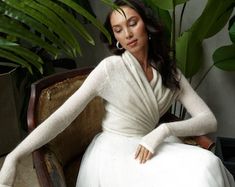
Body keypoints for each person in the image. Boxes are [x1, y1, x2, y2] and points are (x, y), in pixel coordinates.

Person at [0, 0, 234, 186]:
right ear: (117, 39)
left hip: (151, 144)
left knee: (208, 166)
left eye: (132, 23)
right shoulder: (110, 69)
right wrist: (14, 156)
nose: (128, 34)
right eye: (118, 30)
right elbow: (62, 116)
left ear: (147, 26)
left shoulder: (169, 71)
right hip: (116, 154)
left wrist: (164, 130)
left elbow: (208, 121)